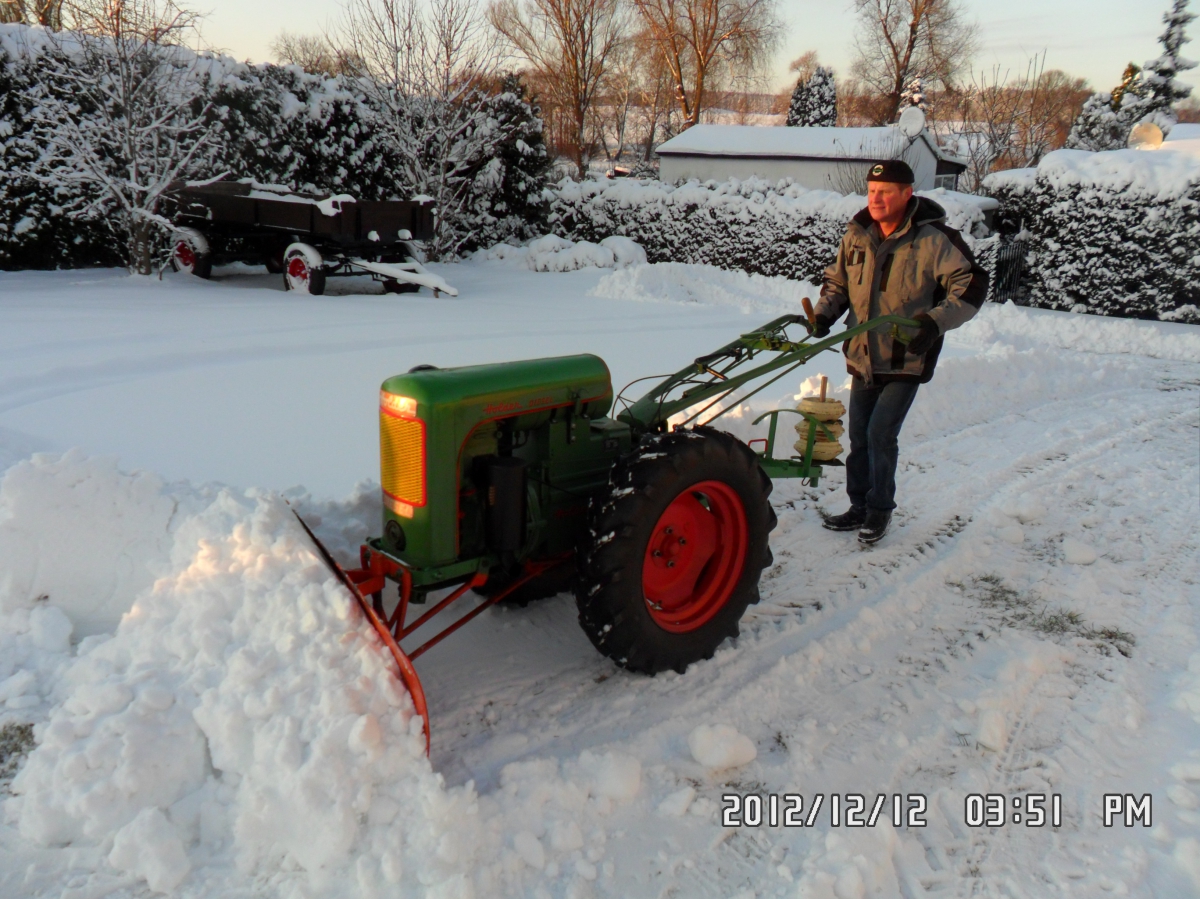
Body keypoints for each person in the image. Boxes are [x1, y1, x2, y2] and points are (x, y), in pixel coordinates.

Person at [811, 159, 986, 545]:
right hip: (863, 353)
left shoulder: (934, 238)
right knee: (859, 437)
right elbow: (837, 282)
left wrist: (933, 322)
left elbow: (971, 286)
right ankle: (858, 505)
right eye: (872, 191)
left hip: (906, 354)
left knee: (879, 434)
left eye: (885, 192)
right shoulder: (857, 234)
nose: (876, 199)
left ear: (907, 194)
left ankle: (879, 510)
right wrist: (823, 314)